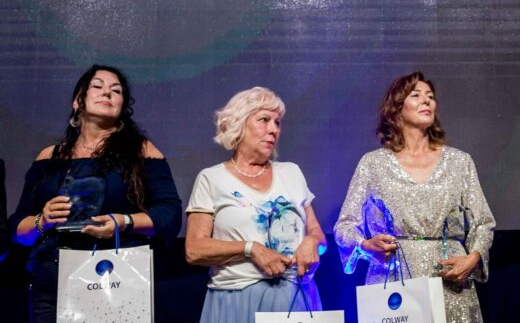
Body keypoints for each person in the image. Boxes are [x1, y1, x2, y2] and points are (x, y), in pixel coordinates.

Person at [9, 64, 183, 323]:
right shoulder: (49, 157)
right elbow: (17, 230)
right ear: (78, 101)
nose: (107, 93)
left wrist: (122, 222)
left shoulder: (142, 151)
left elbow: (170, 214)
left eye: (116, 90)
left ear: (122, 106)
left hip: (115, 276)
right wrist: (42, 221)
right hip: (54, 279)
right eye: (97, 86)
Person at [334, 71, 495, 323]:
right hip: (391, 280)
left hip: (448, 280)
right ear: (396, 108)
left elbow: (483, 223)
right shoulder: (373, 164)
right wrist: (366, 246)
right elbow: (345, 226)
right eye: (416, 95)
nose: (426, 100)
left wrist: (472, 259)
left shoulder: (459, 162)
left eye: (430, 96)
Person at [185, 87, 325, 322]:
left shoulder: (291, 173)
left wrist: (312, 242)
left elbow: (317, 234)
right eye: (264, 120)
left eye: (277, 123)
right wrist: (251, 249)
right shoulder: (211, 178)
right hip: (237, 299)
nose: (274, 129)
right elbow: (194, 250)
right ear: (238, 124)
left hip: (295, 298)